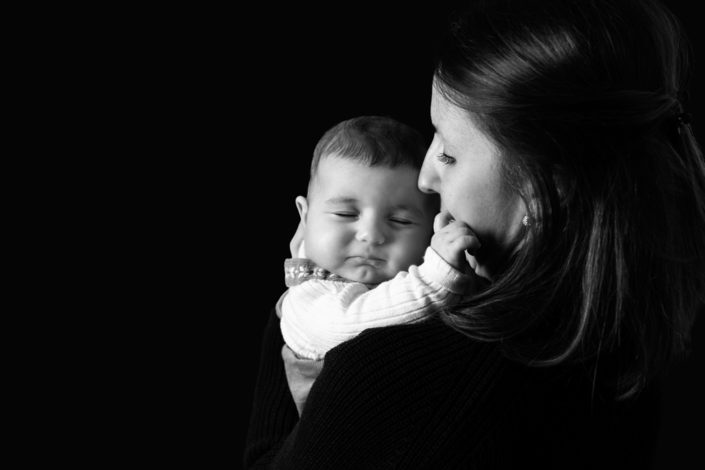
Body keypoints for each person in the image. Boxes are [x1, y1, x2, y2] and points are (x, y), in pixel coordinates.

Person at [245, 0, 705, 468]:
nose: (425, 178)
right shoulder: (623, 358)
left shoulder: (389, 374)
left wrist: (295, 303)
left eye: (448, 154)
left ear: (544, 191)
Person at [279, 115, 479, 415]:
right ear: (305, 218)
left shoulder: (403, 273)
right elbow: (358, 323)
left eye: (400, 221)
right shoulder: (308, 298)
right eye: (346, 214)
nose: (371, 235)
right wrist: (437, 276)